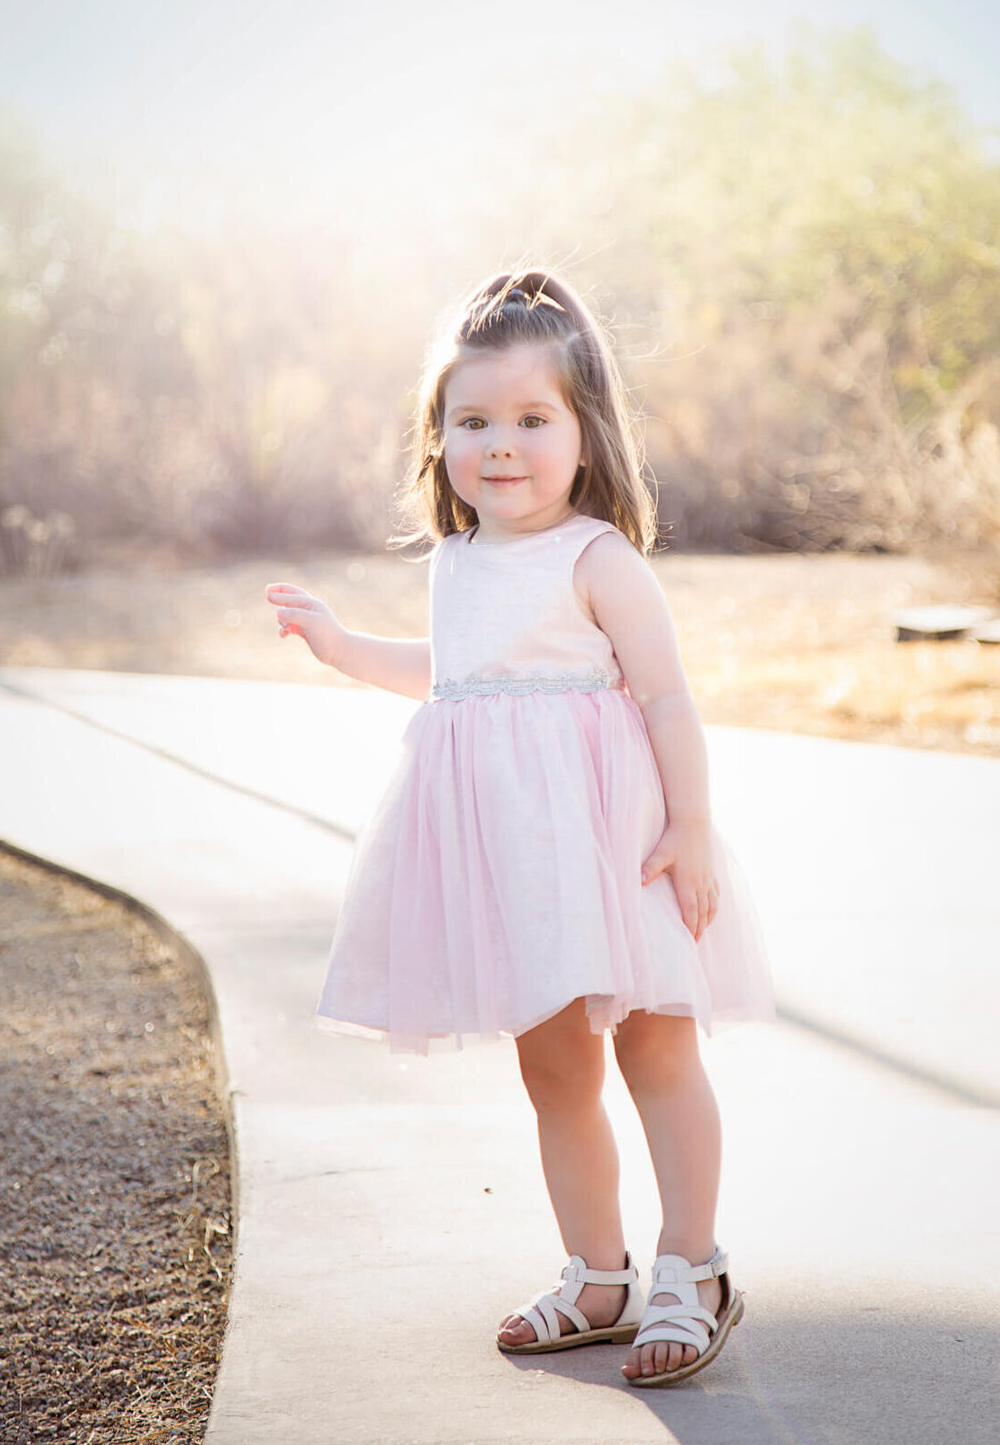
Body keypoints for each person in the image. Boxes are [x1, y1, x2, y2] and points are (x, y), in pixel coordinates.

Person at [265, 267, 778, 1389]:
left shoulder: (599, 558)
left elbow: (668, 699)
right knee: (553, 1069)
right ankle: (599, 1276)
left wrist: (693, 825)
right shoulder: (457, 562)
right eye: (473, 421)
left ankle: (696, 1269)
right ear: (437, 438)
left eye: (533, 420)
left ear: (587, 436)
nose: (502, 446)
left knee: (654, 1044)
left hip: (621, 842)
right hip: (518, 864)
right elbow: (454, 678)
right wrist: (346, 646)